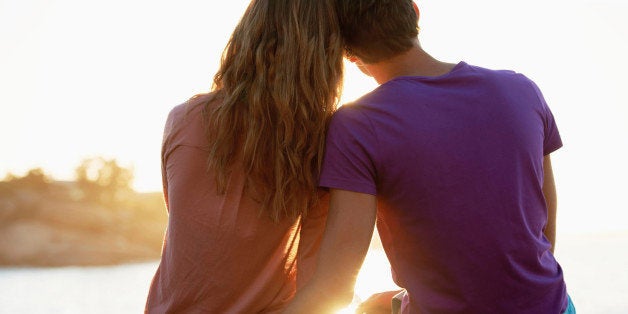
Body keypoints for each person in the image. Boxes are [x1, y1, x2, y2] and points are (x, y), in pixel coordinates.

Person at [284, 0, 576, 313]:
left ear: (349, 53)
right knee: (380, 305)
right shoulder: (522, 90)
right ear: (415, 12)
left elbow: (335, 286)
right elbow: (544, 233)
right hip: (552, 305)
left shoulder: (358, 125)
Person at [144, 0, 344, 313]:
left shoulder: (183, 119)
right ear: (326, 57)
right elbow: (317, 285)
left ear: (246, 37)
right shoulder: (321, 142)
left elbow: (187, 225)